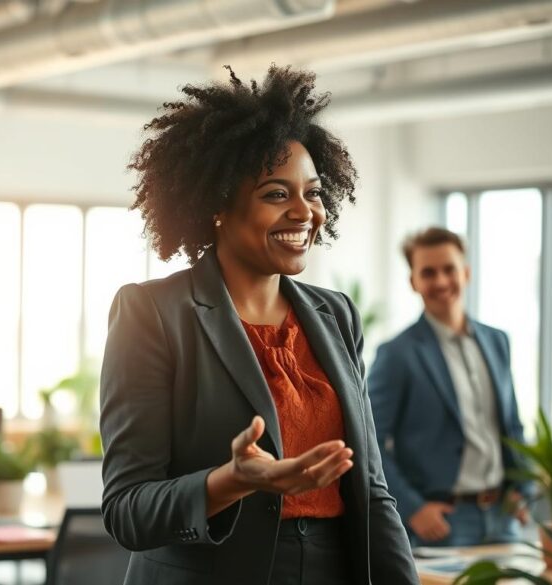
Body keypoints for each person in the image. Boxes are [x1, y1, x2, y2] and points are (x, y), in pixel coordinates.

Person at [100, 65, 418, 585]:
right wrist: (230, 481)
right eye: (276, 194)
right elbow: (127, 510)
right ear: (217, 205)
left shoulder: (334, 314)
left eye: (313, 193)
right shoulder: (153, 313)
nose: (304, 213)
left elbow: (371, 487)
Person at [367, 227, 531, 548]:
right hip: (442, 523)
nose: (441, 281)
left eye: (449, 269)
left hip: (503, 516)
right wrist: (412, 508)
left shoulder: (497, 342)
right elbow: (367, 441)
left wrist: (524, 489)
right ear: (413, 282)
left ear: (466, 273)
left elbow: (511, 425)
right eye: (428, 273)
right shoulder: (396, 354)